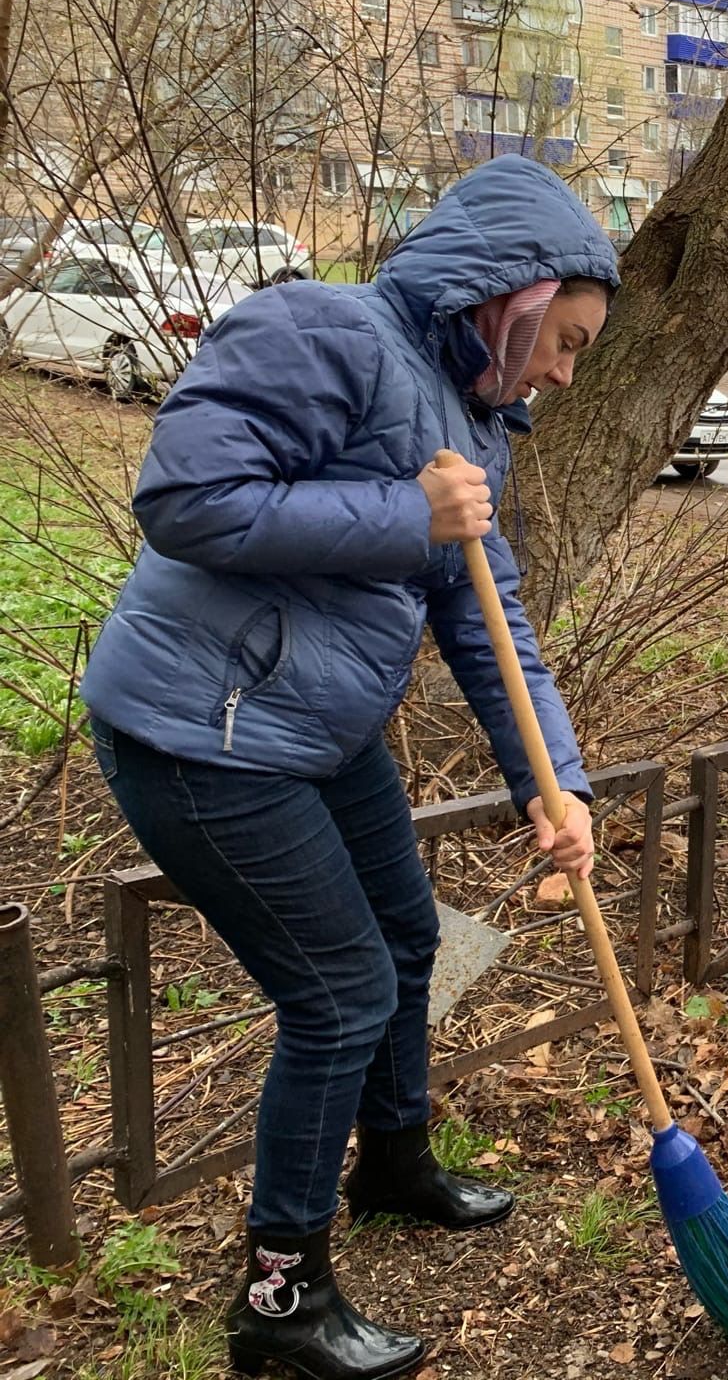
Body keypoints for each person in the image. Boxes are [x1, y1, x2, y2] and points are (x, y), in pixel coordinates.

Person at [79, 155, 619, 1380]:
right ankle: (280, 1303)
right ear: (511, 298)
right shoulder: (317, 326)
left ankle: (394, 1163)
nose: (561, 372)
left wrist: (555, 779)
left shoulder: (474, 417)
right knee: (339, 995)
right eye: (565, 340)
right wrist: (404, 514)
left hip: (317, 729)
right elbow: (186, 497)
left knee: (407, 940)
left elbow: (486, 615)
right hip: (201, 733)